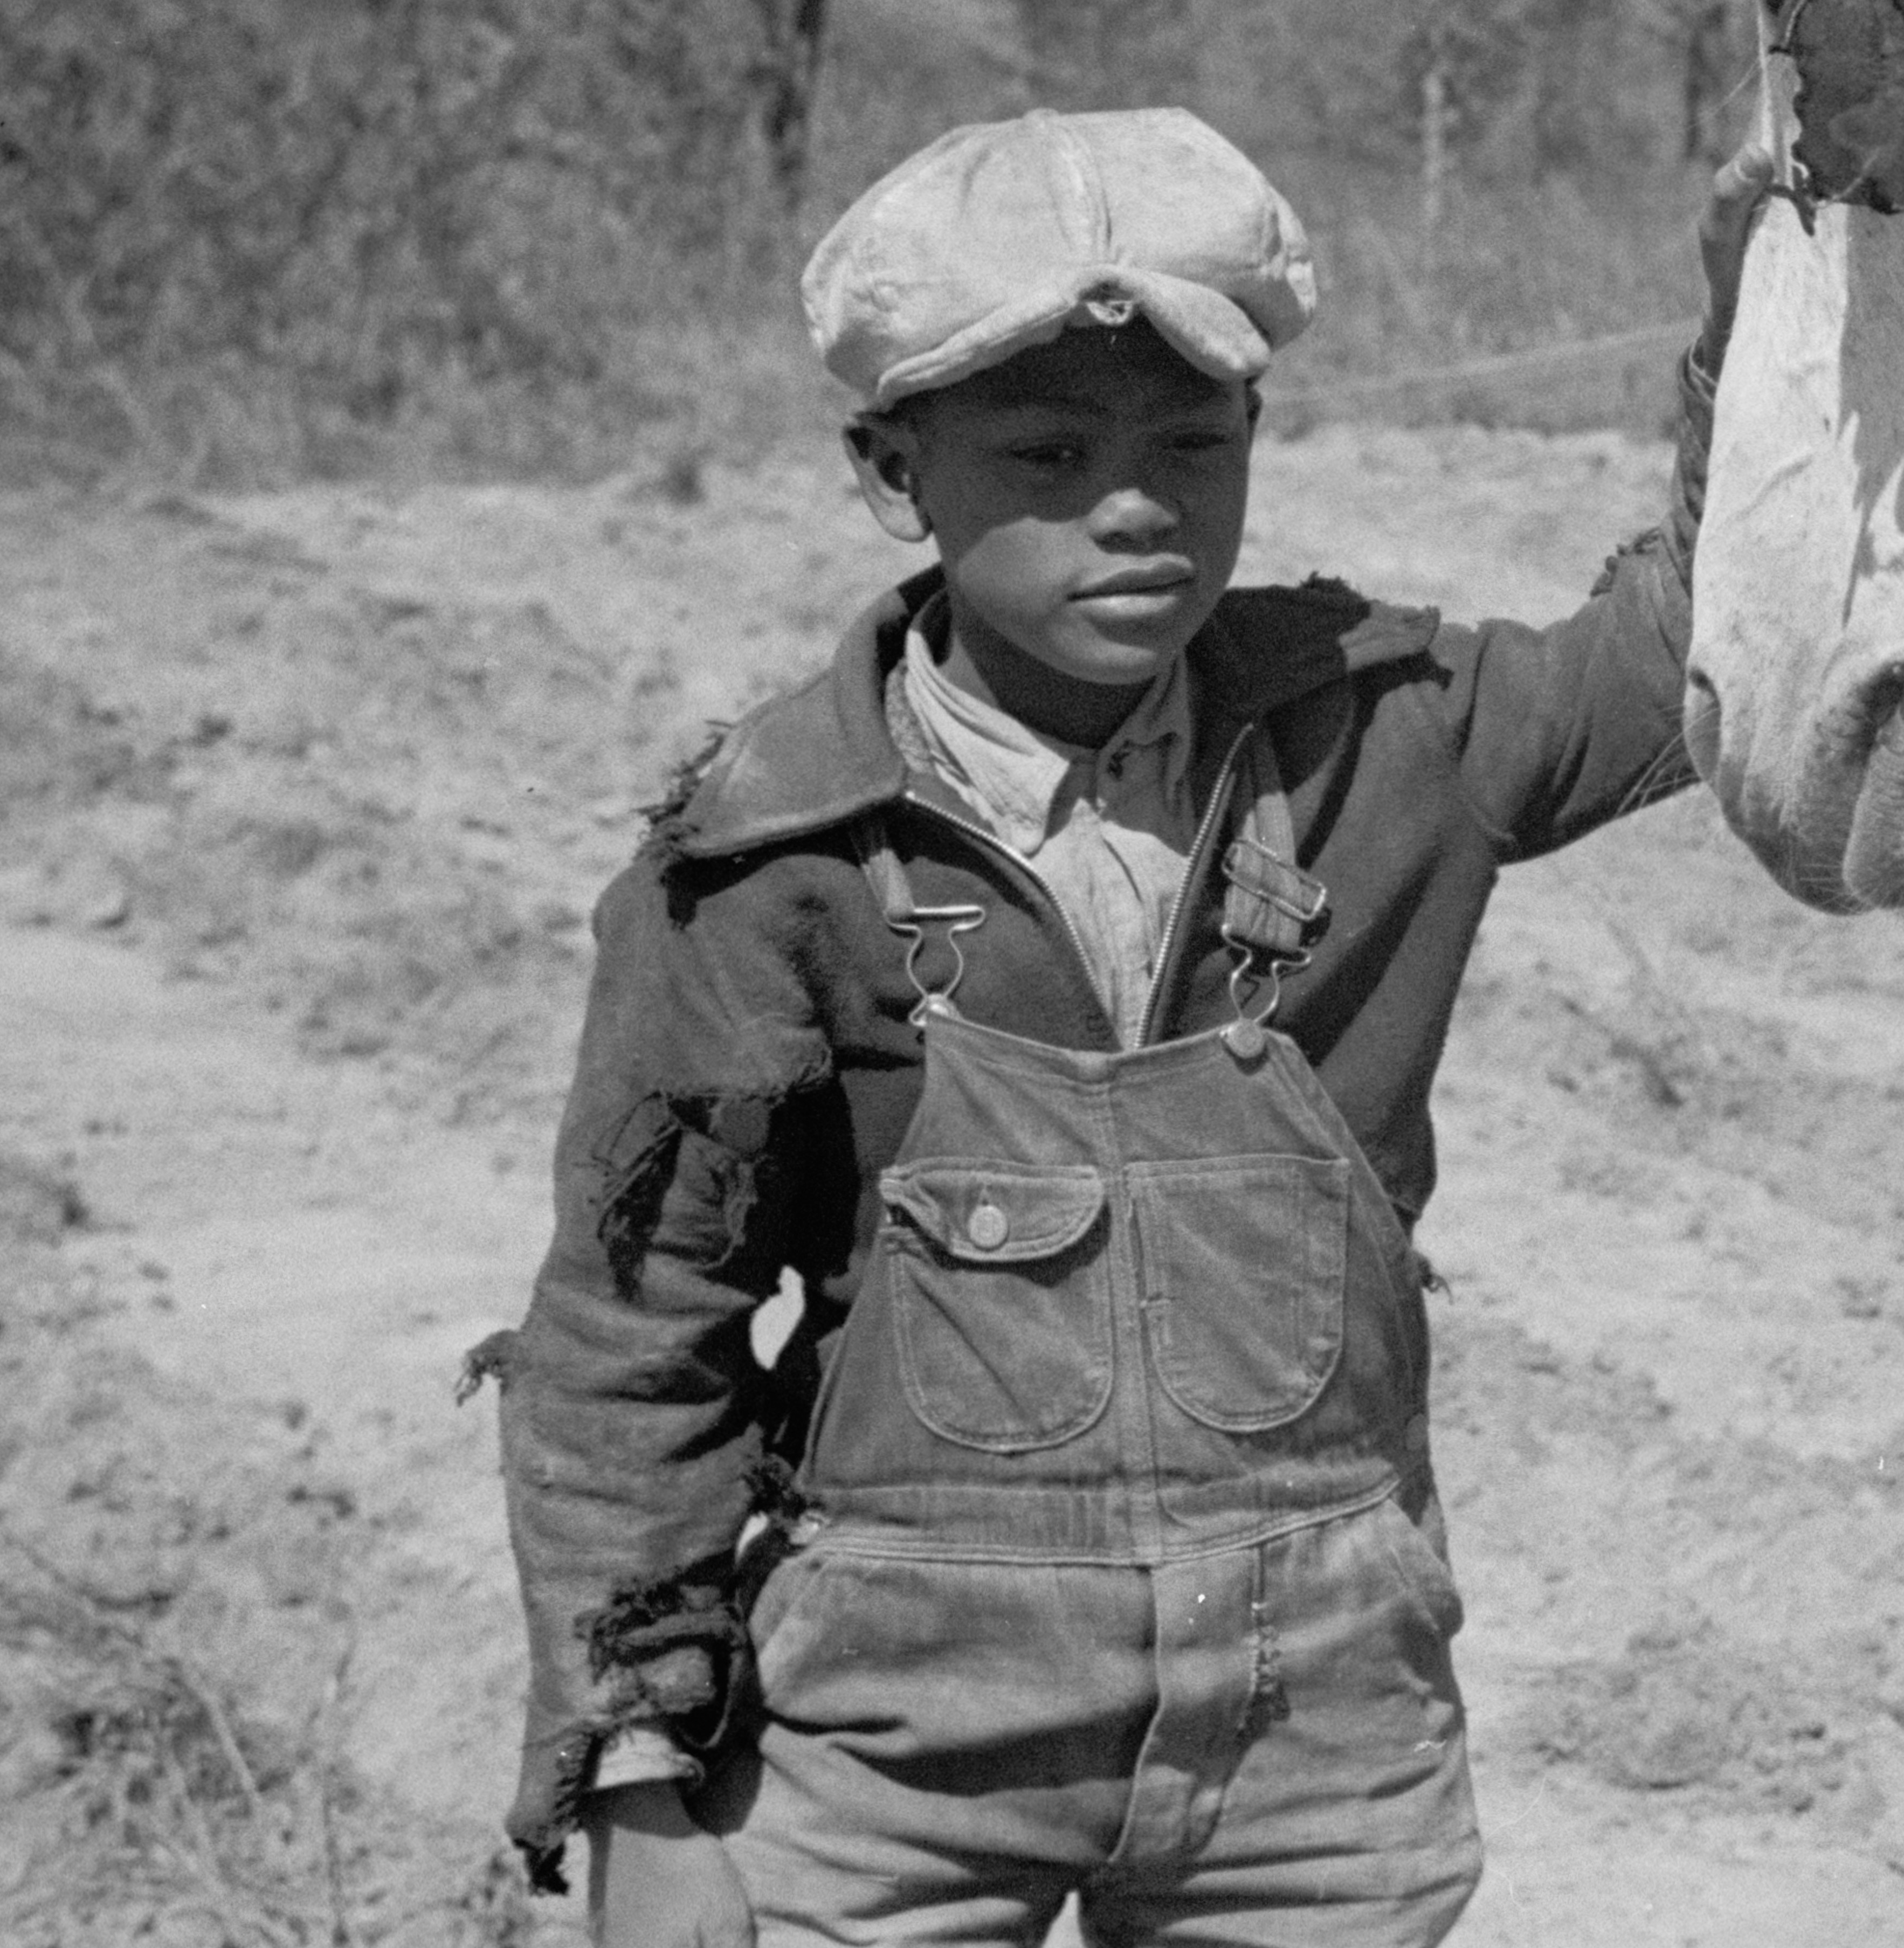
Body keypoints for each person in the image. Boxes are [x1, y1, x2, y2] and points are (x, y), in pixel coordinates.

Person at [485, 106, 1756, 1945]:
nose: (1139, 502)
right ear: (890, 467)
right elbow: (633, 1333)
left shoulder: (1385, 732)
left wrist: (1769, 309)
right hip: (899, 1735)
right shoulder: (775, 860)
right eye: (1052, 451)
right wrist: (636, 1782)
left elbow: (1697, 640)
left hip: (1314, 1723)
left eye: (1193, 439)